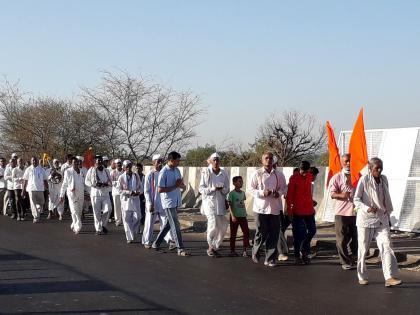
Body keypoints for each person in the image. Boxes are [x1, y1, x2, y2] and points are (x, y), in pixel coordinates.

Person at [354, 157, 402, 287]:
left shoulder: (384, 179)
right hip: (366, 220)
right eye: (376, 168)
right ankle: (362, 276)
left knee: (387, 247)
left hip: (382, 218)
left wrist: (386, 212)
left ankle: (390, 277)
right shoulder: (364, 180)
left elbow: (385, 198)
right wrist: (367, 208)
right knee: (363, 250)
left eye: (381, 167)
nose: (379, 170)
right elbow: (356, 199)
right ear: (370, 169)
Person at [249, 152, 287, 267]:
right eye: (266, 158)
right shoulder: (257, 174)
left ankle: (269, 259)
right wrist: (262, 193)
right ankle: (255, 251)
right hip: (260, 208)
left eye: (271, 158)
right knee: (261, 232)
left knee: (274, 234)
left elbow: (284, 188)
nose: (269, 160)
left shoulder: (279, 175)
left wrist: (278, 193)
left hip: (274, 209)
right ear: (262, 161)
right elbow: (250, 189)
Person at [152, 151, 190, 256]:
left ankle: (156, 243)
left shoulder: (177, 170)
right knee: (175, 224)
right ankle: (180, 248)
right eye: (177, 161)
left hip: (176, 200)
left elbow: (181, 185)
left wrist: (182, 186)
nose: (178, 163)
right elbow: (160, 189)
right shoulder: (163, 172)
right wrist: (175, 186)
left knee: (169, 224)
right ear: (171, 160)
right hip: (168, 202)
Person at [199, 152, 230, 257]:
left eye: (218, 160)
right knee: (213, 224)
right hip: (209, 202)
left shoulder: (224, 173)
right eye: (214, 160)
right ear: (211, 161)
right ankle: (210, 247)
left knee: (223, 224)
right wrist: (213, 188)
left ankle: (215, 245)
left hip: (220, 202)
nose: (216, 162)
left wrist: (222, 189)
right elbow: (201, 189)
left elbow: (227, 189)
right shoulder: (206, 172)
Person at [330, 153, 357, 270]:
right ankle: (345, 261)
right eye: (346, 161)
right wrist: (342, 195)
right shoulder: (336, 177)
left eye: (350, 161)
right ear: (341, 162)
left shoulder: (357, 176)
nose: (348, 163)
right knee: (341, 238)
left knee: (355, 238)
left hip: (355, 212)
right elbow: (332, 194)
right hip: (341, 213)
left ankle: (352, 256)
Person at [286, 160, 316, 265]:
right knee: (298, 234)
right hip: (298, 210)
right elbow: (289, 196)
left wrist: (312, 203)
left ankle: (304, 249)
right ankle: (297, 256)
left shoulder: (309, 177)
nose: (304, 173)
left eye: (306, 171)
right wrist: (289, 211)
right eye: (302, 171)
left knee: (312, 230)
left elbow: (308, 193)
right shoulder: (294, 178)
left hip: (309, 210)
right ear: (299, 169)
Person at [142, 154, 174, 249]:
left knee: (165, 223)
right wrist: (149, 203)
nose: (160, 163)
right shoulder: (150, 174)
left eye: (161, 161)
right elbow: (146, 191)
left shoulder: (165, 173)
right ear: (153, 162)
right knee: (149, 223)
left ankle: (170, 240)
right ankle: (147, 241)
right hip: (153, 203)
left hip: (164, 203)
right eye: (158, 161)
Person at [85, 155, 112, 235]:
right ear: (95, 162)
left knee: (109, 209)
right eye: (98, 161)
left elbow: (110, 181)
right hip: (95, 194)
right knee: (96, 213)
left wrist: (106, 184)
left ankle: (103, 225)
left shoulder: (106, 171)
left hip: (105, 193)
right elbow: (87, 181)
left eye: (100, 161)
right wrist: (93, 185)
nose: (99, 162)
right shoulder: (91, 170)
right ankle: (98, 229)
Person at [117, 160, 143, 243]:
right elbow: (119, 190)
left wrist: (139, 192)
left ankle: (133, 230)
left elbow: (141, 187)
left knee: (138, 217)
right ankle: (129, 237)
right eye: (126, 166)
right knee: (126, 219)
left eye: (129, 166)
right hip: (126, 201)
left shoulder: (136, 176)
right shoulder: (121, 177)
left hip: (135, 199)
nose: (128, 168)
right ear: (124, 168)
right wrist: (128, 192)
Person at [60, 157, 85, 234]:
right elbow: (64, 184)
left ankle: (74, 222)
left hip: (80, 194)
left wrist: (89, 193)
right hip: (72, 194)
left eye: (77, 162)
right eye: (74, 162)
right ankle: (78, 227)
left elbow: (85, 184)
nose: (76, 164)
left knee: (79, 211)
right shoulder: (68, 171)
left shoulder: (82, 172)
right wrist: (61, 195)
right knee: (75, 211)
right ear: (72, 163)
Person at [227, 176, 250, 257]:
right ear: (234, 183)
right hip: (235, 217)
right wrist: (232, 216)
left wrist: (244, 212)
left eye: (241, 181)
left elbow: (242, 203)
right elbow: (229, 205)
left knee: (246, 232)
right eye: (239, 181)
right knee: (233, 234)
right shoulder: (231, 194)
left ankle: (245, 251)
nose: (241, 183)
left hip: (243, 216)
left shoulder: (243, 193)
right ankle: (232, 251)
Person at [22, 157, 48, 223]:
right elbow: (25, 180)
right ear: (31, 161)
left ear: (37, 161)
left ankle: (38, 210)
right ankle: (36, 217)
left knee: (42, 202)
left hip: (40, 189)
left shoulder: (41, 169)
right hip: (31, 189)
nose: (34, 162)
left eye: (35, 160)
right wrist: (23, 190)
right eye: (33, 160)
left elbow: (45, 179)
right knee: (33, 203)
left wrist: (47, 188)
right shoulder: (28, 169)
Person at [110, 159, 124, 226]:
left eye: (120, 163)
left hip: (123, 192)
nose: (119, 165)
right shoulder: (113, 172)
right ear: (115, 164)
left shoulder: (124, 171)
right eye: (117, 164)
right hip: (115, 192)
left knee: (123, 207)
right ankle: (118, 220)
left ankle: (124, 220)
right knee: (116, 207)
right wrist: (118, 183)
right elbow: (111, 182)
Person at [136, 162, 146, 228]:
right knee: (136, 211)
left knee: (142, 211)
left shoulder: (144, 177)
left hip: (142, 196)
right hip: (135, 195)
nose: (138, 170)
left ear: (142, 169)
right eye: (137, 168)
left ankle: (141, 225)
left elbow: (146, 187)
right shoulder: (133, 176)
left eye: (139, 168)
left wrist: (145, 197)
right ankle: (136, 225)